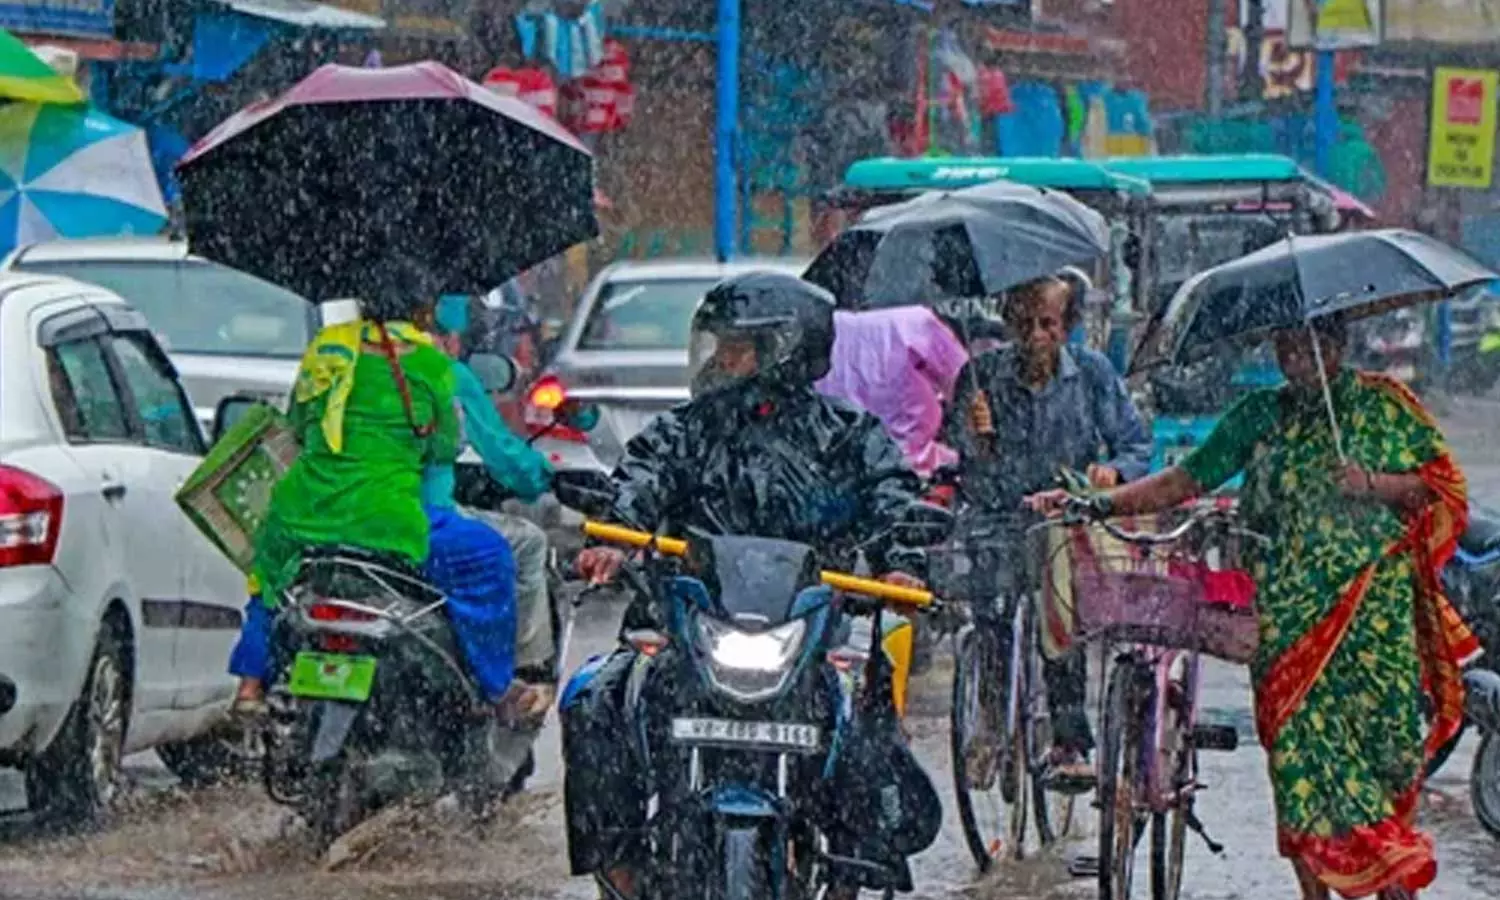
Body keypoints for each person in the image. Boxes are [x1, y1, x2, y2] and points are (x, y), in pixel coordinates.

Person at [1027, 318, 1478, 900]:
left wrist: (1370, 483)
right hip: (1286, 618)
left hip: (1372, 614)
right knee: (1297, 763)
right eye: (1285, 346)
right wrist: (1099, 504)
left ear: (1337, 346)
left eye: (1308, 346)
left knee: (1382, 757)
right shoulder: (1261, 414)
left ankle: (1392, 881)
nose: (1294, 357)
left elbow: (1439, 489)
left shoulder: (1384, 406)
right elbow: (1184, 480)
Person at [563, 272, 940, 899]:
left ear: (781, 351)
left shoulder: (847, 435)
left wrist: (902, 562)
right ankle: (621, 858)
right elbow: (638, 481)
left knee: (866, 713)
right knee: (594, 699)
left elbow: (893, 500)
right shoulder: (684, 430)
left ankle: (854, 860)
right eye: (715, 344)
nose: (718, 359)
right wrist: (614, 538)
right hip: (688, 622)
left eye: (734, 347)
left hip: (810, 629)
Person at [227, 286, 529, 725]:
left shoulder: (325, 350)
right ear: (424, 309)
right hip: (387, 520)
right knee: (491, 555)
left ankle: (250, 687)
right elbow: (444, 447)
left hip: (302, 514)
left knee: (272, 585)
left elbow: (298, 426)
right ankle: (493, 688)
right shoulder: (429, 363)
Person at [941, 272, 1152, 784]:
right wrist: (974, 431)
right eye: (1025, 324)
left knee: (1060, 619)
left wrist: (1112, 472)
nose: (1036, 335)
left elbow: (1134, 444)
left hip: (1064, 517)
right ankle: (990, 722)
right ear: (1009, 324)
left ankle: (1069, 738)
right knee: (990, 619)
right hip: (997, 516)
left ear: (1066, 326)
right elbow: (957, 456)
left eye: (1048, 324)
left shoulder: (1093, 373)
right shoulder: (980, 375)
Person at [430, 294, 558, 704]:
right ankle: (520, 675)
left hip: (335, 517)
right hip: (421, 515)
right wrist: (541, 478)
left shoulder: (336, 365)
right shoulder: (440, 373)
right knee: (526, 542)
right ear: (451, 339)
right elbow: (501, 454)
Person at [815, 304, 969, 478]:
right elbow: (917, 456)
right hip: (822, 375)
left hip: (820, 332)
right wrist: (959, 460)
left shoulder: (918, 323)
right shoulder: (921, 409)